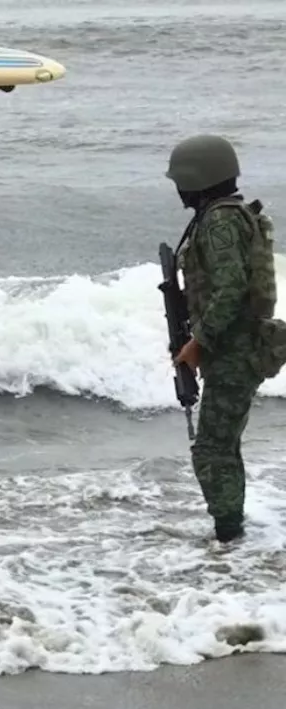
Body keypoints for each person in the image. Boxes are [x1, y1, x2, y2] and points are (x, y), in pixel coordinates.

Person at [166, 133, 286, 543]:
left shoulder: (219, 220)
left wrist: (198, 342)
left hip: (234, 350)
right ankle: (232, 534)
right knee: (224, 443)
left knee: (212, 449)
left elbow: (231, 289)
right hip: (239, 347)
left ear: (199, 178)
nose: (178, 189)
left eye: (181, 180)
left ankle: (229, 538)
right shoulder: (226, 215)